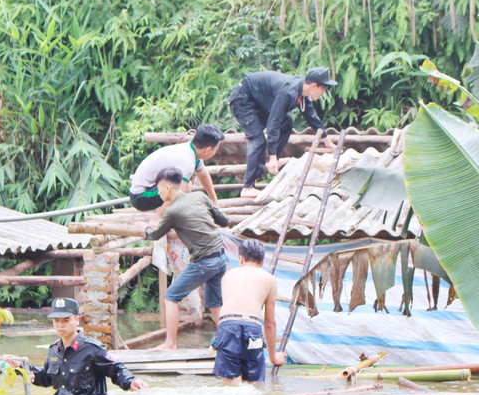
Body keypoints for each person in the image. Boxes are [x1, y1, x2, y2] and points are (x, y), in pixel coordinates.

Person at [142, 167, 230, 351]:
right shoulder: (200, 196)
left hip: (204, 261)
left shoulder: (172, 211)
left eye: (158, 189)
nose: (158, 193)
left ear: (166, 188)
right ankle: (229, 342)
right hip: (220, 257)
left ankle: (170, 343)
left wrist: (145, 228)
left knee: (171, 296)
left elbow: (155, 234)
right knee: (214, 304)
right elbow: (224, 220)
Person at [4, 298, 149, 395]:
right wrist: (21, 368)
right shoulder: (54, 350)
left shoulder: (92, 349)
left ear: (77, 320)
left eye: (66, 320)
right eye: (56, 321)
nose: (60, 325)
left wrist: (131, 381)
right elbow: (47, 379)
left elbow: (116, 369)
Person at [229, 67, 337, 198]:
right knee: (258, 140)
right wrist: (273, 155)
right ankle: (248, 187)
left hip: (257, 102)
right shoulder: (288, 92)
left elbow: (312, 117)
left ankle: (268, 163)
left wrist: (327, 142)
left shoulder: (301, 94)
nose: (323, 93)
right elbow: (273, 123)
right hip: (243, 100)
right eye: (323, 89)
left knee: (287, 123)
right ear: (314, 86)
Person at [212, 239, 286, 384]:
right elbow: (270, 323)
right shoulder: (270, 279)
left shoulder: (227, 276)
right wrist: (273, 358)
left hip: (228, 326)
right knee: (254, 384)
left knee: (232, 382)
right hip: (253, 328)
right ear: (262, 262)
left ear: (241, 259)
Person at [129, 123, 225, 218]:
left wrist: (214, 200)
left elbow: (203, 175)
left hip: (151, 188)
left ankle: (166, 215)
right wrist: (158, 219)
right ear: (208, 150)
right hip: (140, 196)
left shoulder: (191, 150)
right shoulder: (187, 162)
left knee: (187, 185)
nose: (215, 152)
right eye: (215, 150)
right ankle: (159, 218)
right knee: (182, 190)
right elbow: (176, 196)